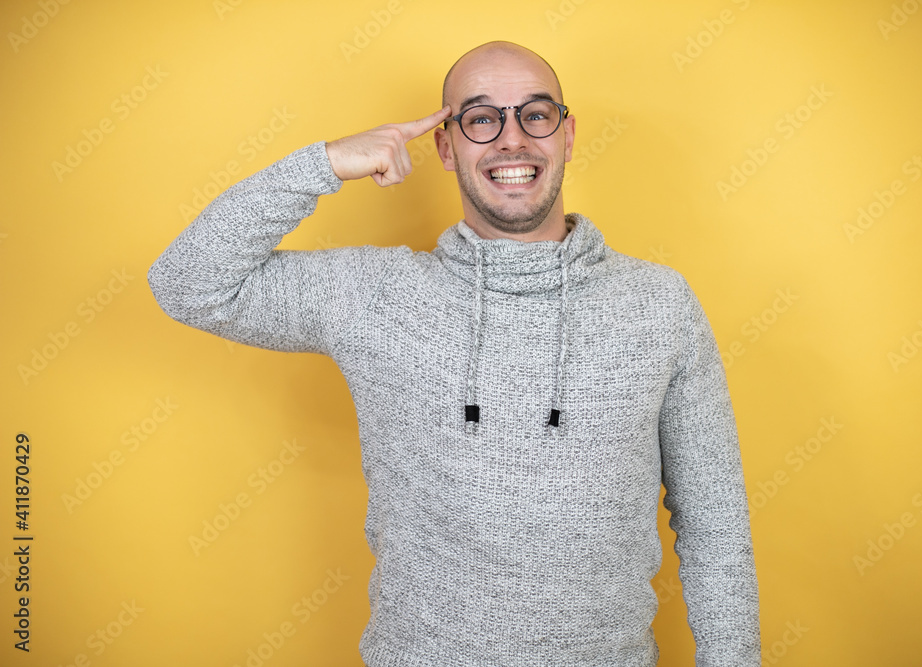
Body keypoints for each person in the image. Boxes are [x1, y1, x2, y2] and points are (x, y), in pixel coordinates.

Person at [148, 40, 761, 666]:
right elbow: (188, 283)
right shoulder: (377, 295)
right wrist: (323, 164)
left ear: (567, 134)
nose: (511, 140)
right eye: (480, 118)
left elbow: (716, 529)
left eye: (535, 114)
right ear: (446, 145)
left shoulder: (660, 304)